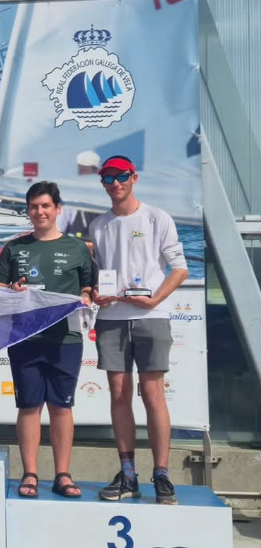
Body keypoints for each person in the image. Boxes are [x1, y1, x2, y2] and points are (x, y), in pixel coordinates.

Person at [90, 155, 188, 505]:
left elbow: (179, 269)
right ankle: (128, 474)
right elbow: (98, 274)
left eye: (121, 176)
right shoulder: (98, 225)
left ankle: (161, 475)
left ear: (134, 177)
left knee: (152, 394)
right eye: (108, 178)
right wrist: (95, 293)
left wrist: (154, 299)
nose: (115, 183)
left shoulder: (157, 217)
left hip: (152, 316)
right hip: (112, 318)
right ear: (102, 183)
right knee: (118, 394)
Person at [0, 182, 94, 497]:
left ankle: (63, 474)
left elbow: (88, 287)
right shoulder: (14, 248)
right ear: (28, 210)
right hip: (25, 337)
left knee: (62, 407)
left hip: (66, 339)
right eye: (34, 207)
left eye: (46, 206)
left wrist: (86, 296)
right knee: (29, 406)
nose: (40, 212)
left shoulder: (78, 248)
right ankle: (30, 474)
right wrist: (13, 291)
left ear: (58, 209)